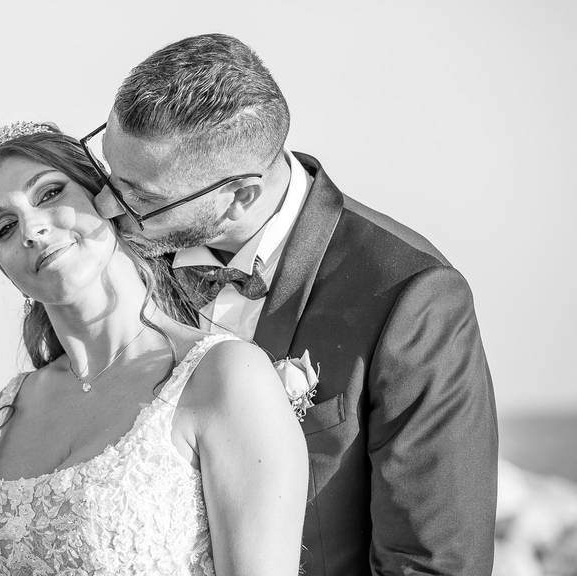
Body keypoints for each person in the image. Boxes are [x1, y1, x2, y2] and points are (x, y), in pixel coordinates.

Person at [85, 33, 499, 575]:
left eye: (141, 196)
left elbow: (433, 562)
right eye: (109, 171)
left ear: (240, 195)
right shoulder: (123, 258)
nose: (103, 205)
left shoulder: (412, 297)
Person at [0, 122, 308, 575]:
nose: (32, 229)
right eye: (3, 227)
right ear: (5, 270)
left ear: (108, 202)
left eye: (48, 194)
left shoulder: (222, 376)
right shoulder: (10, 404)